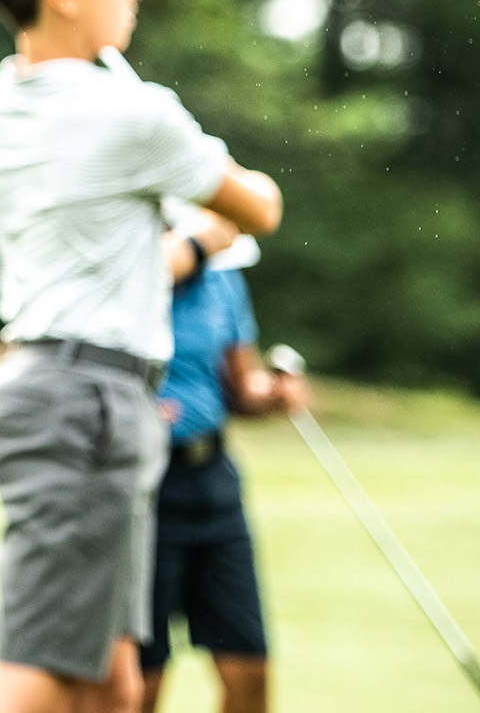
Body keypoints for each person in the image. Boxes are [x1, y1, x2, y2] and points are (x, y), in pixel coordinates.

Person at [0, 0, 283, 713]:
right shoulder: (134, 115)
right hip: (88, 406)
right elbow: (259, 208)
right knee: (37, 671)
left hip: (60, 395)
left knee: (114, 681)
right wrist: (201, 176)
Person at [139, 213, 309, 713]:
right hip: (144, 488)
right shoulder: (132, 285)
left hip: (213, 481)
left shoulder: (223, 281)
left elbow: (240, 387)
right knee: (143, 677)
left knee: (249, 665)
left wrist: (272, 394)